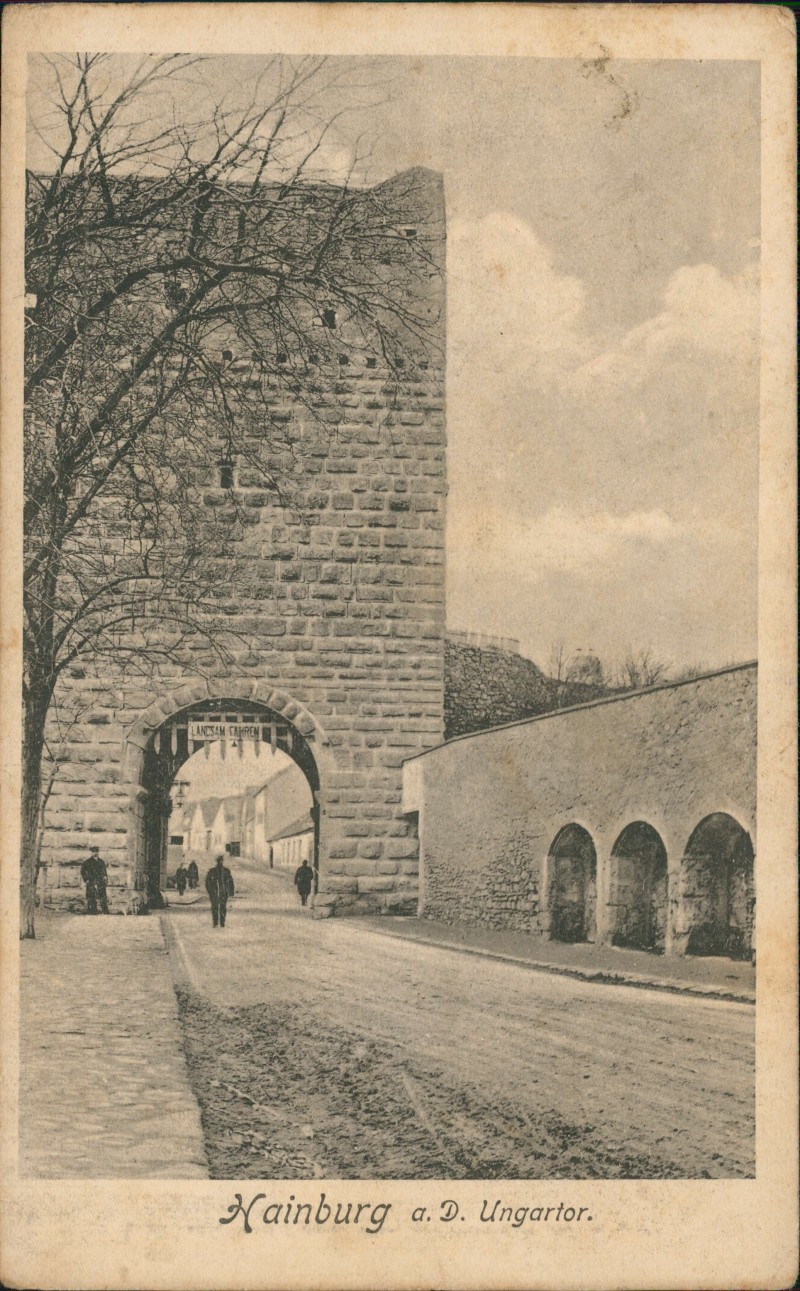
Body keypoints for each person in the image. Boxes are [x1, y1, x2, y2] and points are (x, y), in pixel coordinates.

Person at [205, 854, 234, 928]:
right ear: (217, 862)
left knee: (223, 907)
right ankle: (215, 923)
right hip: (214, 892)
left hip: (223, 892)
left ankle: (222, 923)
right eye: (219, 861)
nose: (220, 863)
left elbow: (230, 881)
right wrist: (210, 891)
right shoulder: (212, 871)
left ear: (222, 861)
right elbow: (207, 882)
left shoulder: (226, 871)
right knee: (215, 907)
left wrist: (230, 892)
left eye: (221, 861)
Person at [80, 845, 109, 915]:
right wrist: (86, 879)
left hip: (100, 881)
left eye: (96, 851)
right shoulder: (88, 862)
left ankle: (105, 911)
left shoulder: (101, 861)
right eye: (93, 852)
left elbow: (104, 871)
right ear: (91, 852)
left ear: (98, 852)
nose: (95, 853)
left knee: (103, 896)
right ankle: (92, 911)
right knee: (91, 896)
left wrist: (105, 877)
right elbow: (82, 871)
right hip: (91, 881)